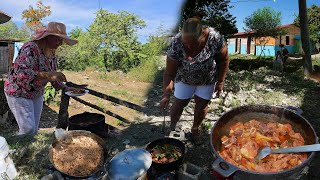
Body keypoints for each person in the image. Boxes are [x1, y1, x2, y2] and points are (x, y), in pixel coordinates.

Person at [159, 16, 229, 144]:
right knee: (179, 103)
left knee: (202, 105)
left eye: (192, 43)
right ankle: (172, 127)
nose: (188, 48)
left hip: (207, 79)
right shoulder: (176, 43)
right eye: (186, 44)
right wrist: (166, 94)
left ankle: (195, 129)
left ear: (202, 34)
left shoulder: (215, 38)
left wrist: (220, 81)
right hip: (185, 78)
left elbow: (223, 60)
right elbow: (169, 73)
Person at [4, 22, 80, 136]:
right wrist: (48, 75)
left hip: (36, 93)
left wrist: (66, 88)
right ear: (48, 37)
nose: (61, 43)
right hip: (18, 91)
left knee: (34, 129)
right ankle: (16, 150)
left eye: (62, 40)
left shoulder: (51, 53)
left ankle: (27, 150)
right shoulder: (30, 48)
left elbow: (54, 79)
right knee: (28, 129)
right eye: (58, 39)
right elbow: (22, 73)